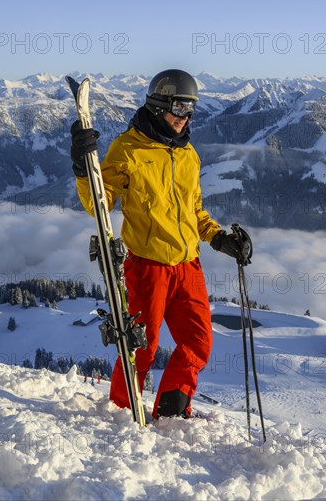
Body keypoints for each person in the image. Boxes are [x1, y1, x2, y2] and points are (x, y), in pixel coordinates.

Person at [70, 69, 250, 419]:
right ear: (158, 105)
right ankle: (121, 413)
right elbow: (99, 203)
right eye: (180, 107)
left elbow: (194, 210)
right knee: (141, 347)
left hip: (188, 267)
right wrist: (83, 167)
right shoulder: (129, 149)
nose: (187, 117)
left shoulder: (188, 155)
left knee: (198, 343)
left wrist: (219, 238)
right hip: (147, 267)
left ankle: (171, 411)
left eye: (191, 109)